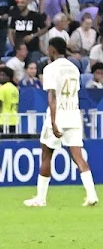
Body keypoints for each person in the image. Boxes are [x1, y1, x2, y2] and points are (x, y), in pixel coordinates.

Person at [25, 38, 98, 208]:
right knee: (78, 156)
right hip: (74, 113)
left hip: (58, 115)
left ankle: (40, 198)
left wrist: (53, 121)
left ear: (52, 49)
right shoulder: (74, 68)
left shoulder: (50, 68)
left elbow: (52, 96)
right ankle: (91, 194)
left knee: (46, 154)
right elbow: (75, 93)